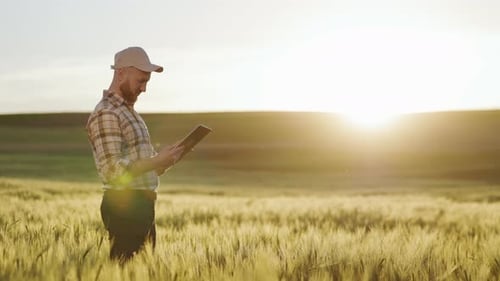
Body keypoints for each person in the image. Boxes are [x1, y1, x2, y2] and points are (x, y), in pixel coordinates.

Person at [86, 46, 184, 263]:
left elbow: (141, 164)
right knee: (127, 272)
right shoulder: (107, 112)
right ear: (121, 73)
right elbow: (113, 171)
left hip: (142, 204)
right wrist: (156, 161)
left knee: (143, 271)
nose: (144, 88)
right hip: (125, 205)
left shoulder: (129, 113)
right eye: (141, 81)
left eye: (146, 82)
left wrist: (165, 160)